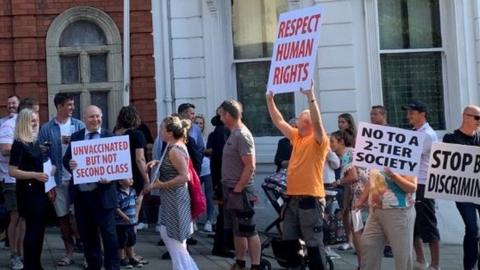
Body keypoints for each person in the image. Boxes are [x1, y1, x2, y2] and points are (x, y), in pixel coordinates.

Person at [266, 82, 329, 269]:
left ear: (307, 124)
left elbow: (318, 122)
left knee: (313, 244)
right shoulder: (297, 137)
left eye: (299, 120)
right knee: (290, 241)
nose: (295, 122)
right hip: (292, 199)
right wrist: (269, 99)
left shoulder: (319, 141)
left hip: (311, 199)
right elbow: (279, 121)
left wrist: (311, 96)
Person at [63, 105, 119, 270]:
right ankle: (93, 266)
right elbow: (66, 160)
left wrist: (111, 177)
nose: (95, 120)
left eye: (98, 116)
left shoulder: (110, 136)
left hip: (103, 196)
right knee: (88, 237)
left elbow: (120, 165)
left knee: (109, 236)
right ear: (85, 119)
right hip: (82, 197)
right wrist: (70, 163)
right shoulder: (76, 137)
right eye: (91, 117)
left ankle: (112, 267)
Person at [38, 92, 85, 267]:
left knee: (80, 218)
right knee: (63, 219)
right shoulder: (47, 128)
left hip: (77, 180)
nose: (72, 108)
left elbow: (87, 152)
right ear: (59, 107)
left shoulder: (79, 125)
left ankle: (86, 252)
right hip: (57, 181)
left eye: (73, 105)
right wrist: (48, 185)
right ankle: (69, 253)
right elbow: (43, 157)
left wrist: (73, 141)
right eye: (69, 105)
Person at [146, 115, 199, 270]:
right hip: (171, 199)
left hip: (176, 199)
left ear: (170, 132)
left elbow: (185, 176)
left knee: (176, 242)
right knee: (169, 237)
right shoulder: (172, 145)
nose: (160, 132)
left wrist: (162, 184)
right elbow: (174, 167)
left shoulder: (175, 149)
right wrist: (157, 162)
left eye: (162, 129)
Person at [9, 108, 56, 270]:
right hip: (28, 193)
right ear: (24, 123)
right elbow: (12, 171)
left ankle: (36, 264)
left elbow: (39, 166)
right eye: (32, 121)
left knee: (39, 230)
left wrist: (50, 170)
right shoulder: (18, 144)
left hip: (40, 191)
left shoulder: (35, 142)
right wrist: (35, 175)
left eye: (37, 120)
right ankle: (30, 265)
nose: (36, 124)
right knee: (32, 230)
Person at [218, 100, 261, 270]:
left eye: (221, 114)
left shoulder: (242, 135)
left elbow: (250, 166)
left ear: (228, 114)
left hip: (240, 190)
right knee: (237, 229)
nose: (220, 118)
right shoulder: (233, 133)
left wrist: (237, 190)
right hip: (230, 188)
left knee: (248, 229)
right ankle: (241, 262)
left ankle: (256, 265)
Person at [402, 101, 440, 270]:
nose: (408, 116)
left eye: (412, 112)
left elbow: (411, 157)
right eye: (408, 112)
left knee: (428, 225)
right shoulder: (415, 132)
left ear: (422, 114)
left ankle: (435, 264)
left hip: (423, 184)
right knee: (412, 224)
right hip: (412, 183)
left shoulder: (427, 135)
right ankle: (421, 260)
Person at [356, 168, 417, 270]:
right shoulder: (378, 155)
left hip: (398, 211)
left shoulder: (407, 157)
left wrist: (393, 175)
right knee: (368, 246)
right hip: (376, 210)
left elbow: (412, 187)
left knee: (402, 255)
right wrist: (361, 199)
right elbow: (373, 179)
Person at [443, 105, 480, 270]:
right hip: (464, 192)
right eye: (477, 118)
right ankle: (469, 267)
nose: (479, 122)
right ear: (465, 116)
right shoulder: (450, 138)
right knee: (472, 229)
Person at [330, 130, 367, 268]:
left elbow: (353, 177)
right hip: (360, 196)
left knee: (357, 231)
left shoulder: (347, 154)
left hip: (362, 196)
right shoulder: (349, 153)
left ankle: (362, 264)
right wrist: (345, 204)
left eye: (332, 141)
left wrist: (338, 182)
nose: (329, 144)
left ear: (341, 141)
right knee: (359, 230)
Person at [113, 106, 150, 228]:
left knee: (119, 207)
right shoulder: (137, 134)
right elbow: (140, 159)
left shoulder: (114, 134)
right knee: (134, 208)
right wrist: (146, 178)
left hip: (117, 174)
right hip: (134, 175)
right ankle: (131, 238)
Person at [0, 96, 24, 270]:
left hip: (25, 177)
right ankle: (15, 255)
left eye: (14, 103)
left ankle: (21, 253)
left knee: (23, 218)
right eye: (8, 104)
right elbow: (6, 150)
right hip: (10, 178)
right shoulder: (6, 124)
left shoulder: (24, 122)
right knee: (15, 217)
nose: (10, 106)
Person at [207, 113, 234, 258]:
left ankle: (224, 244)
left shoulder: (216, 133)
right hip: (225, 179)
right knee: (225, 215)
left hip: (218, 177)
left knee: (224, 214)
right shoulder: (225, 133)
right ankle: (222, 246)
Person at [369, 104, 394, 258]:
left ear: (383, 115)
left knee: (389, 210)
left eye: (375, 114)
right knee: (377, 208)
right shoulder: (369, 132)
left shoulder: (392, 131)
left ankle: (390, 244)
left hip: (389, 177)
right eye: (371, 114)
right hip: (375, 176)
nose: (372, 117)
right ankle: (382, 242)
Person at [115, 178, 143, 268]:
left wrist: (135, 215)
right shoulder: (118, 193)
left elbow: (135, 203)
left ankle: (131, 258)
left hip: (131, 222)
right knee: (122, 241)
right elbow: (116, 208)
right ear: (120, 182)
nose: (131, 180)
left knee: (131, 241)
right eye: (128, 179)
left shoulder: (133, 191)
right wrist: (124, 216)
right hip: (121, 223)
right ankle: (121, 259)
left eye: (132, 178)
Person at [194, 114, 215, 232]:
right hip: (196, 170)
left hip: (207, 169)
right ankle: (194, 220)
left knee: (209, 196)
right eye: (196, 123)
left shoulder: (207, 138)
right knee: (195, 195)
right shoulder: (191, 137)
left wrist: (204, 151)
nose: (198, 125)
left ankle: (209, 220)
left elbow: (212, 151)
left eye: (201, 123)